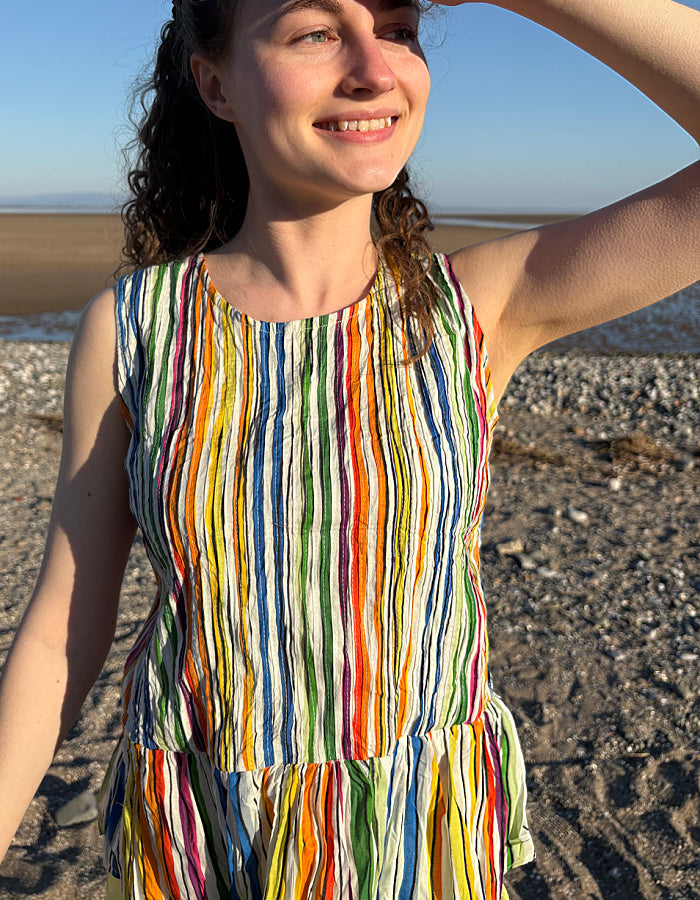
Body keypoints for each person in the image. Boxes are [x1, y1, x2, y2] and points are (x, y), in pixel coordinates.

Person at [0, 0, 698, 897]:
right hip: (200, 838)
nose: (374, 67)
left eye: (399, 28)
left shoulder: (474, 309)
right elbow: (62, 631)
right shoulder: (136, 330)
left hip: (420, 840)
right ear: (215, 83)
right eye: (316, 31)